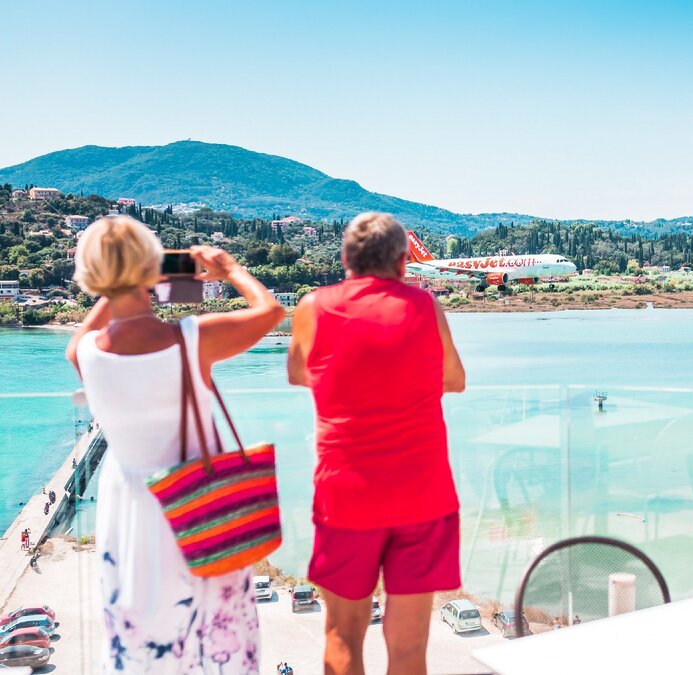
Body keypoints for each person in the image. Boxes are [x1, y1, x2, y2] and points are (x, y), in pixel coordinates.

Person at [66, 215, 283, 674]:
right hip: (199, 503)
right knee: (214, 636)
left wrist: (122, 277)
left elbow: (88, 330)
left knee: (143, 639)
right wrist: (229, 268)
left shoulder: (84, 351)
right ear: (149, 268)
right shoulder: (192, 339)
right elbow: (270, 312)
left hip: (129, 509)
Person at [288, 212, 466, 675]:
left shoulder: (313, 307)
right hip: (422, 493)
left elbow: (298, 373)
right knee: (409, 649)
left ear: (345, 258)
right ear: (403, 262)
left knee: (343, 636)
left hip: (346, 494)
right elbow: (454, 379)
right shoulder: (425, 307)